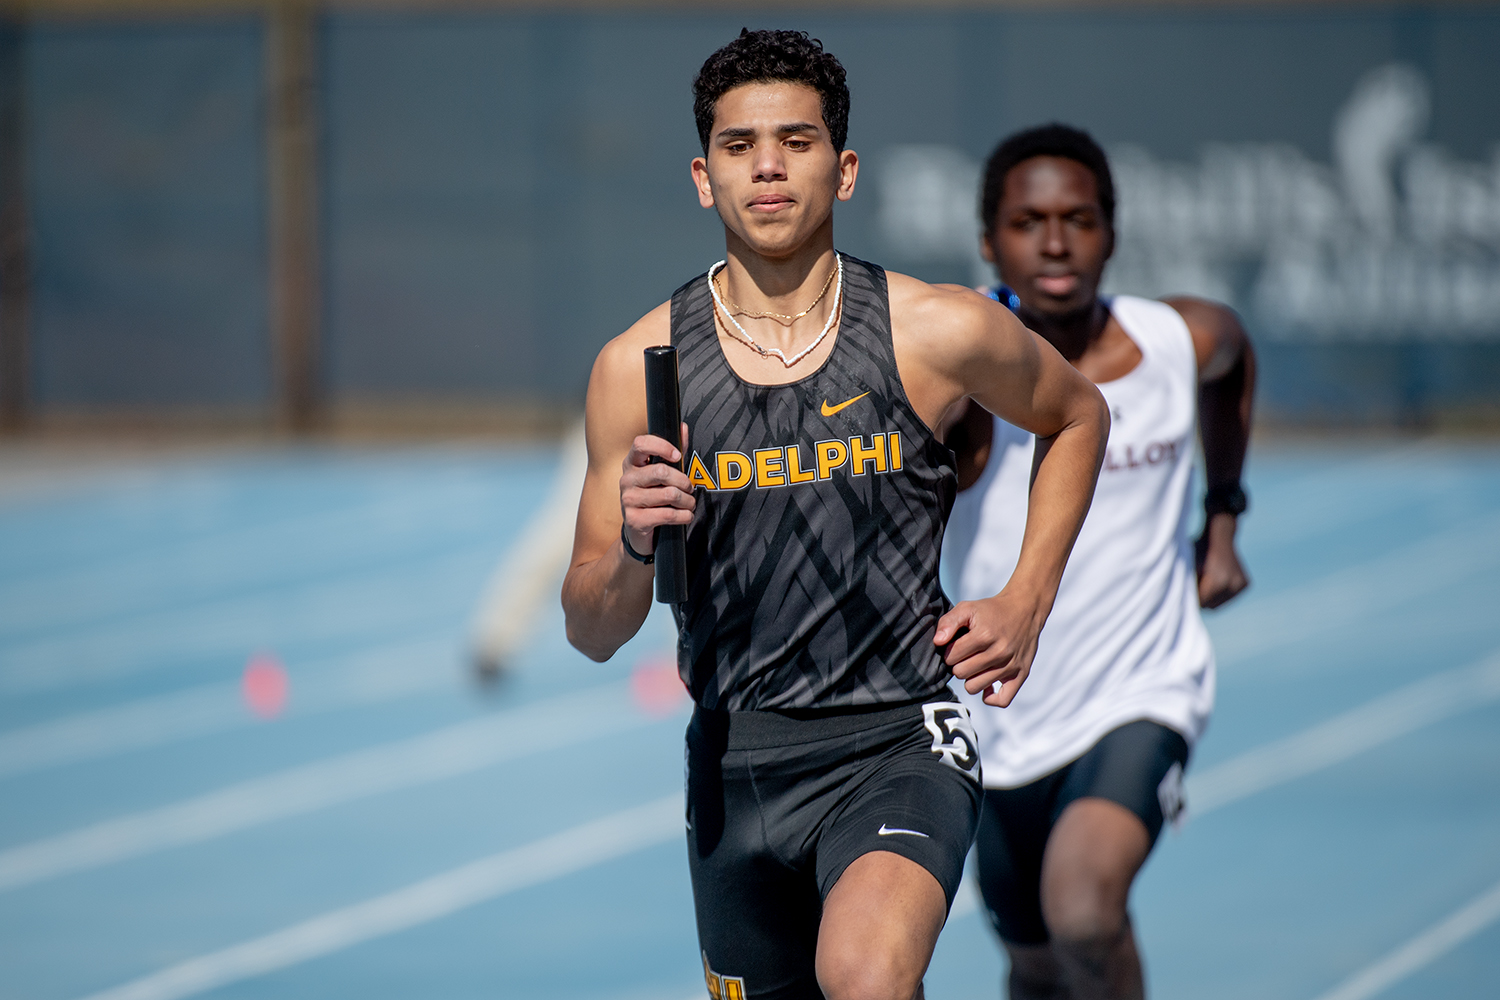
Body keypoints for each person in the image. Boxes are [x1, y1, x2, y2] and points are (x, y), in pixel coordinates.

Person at [561, 31, 1109, 1000]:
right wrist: (637, 541)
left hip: (898, 736)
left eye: (796, 140)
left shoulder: (937, 330)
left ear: (843, 168)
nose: (768, 166)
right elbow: (593, 628)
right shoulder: (638, 368)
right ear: (703, 177)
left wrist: (1027, 597)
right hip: (736, 762)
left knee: (865, 979)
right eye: (739, 146)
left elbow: (1078, 413)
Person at [941, 124, 1255, 1000]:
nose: (1053, 242)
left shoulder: (1177, 340)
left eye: (1078, 219)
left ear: (1111, 233)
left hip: (1139, 690)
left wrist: (1222, 518)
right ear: (988, 240)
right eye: (1027, 221)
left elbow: (1231, 358)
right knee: (1036, 965)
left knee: (1083, 913)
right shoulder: (959, 367)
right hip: (998, 714)